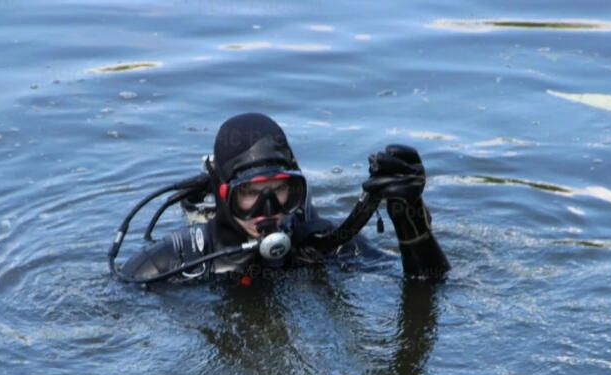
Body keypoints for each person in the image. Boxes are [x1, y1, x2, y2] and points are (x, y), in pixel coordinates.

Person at [112, 112, 450, 285]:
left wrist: (411, 223)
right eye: (250, 193)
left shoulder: (323, 245)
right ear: (221, 192)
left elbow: (427, 285)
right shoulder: (165, 265)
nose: (268, 210)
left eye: (280, 191)